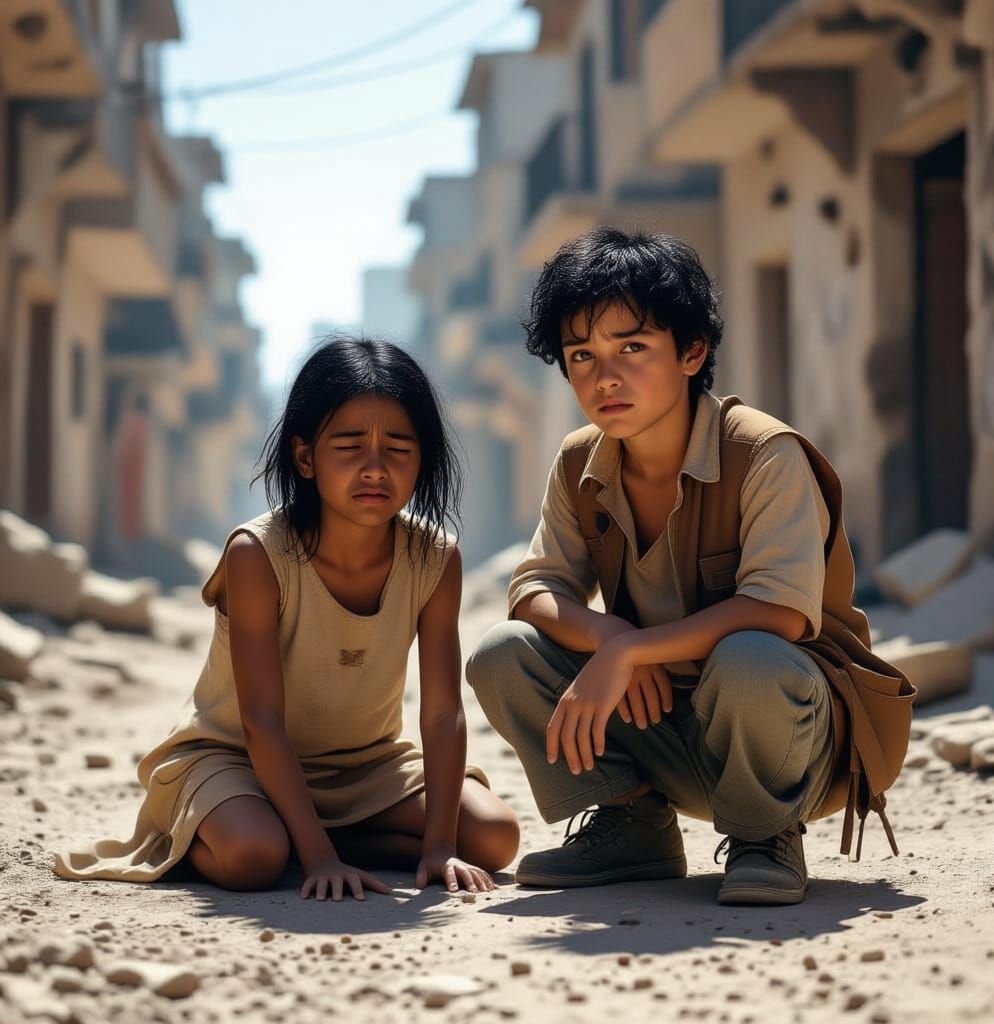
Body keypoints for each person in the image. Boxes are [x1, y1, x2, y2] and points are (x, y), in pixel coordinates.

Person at [466, 227, 910, 906]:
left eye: (632, 348)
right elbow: (534, 589)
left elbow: (782, 610)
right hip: (668, 735)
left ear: (692, 351)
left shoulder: (764, 454)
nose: (604, 376)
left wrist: (636, 649)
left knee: (751, 656)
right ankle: (632, 821)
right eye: (581, 354)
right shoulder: (579, 461)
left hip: (791, 738)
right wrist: (611, 641)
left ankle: (766, 836)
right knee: (504, 654)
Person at [56, 337, 519, 900]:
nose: (375, 468)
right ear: (306, 457)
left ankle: (318, 838)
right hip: (238, 759)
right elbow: (261, 722)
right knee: (254, 858)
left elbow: (444, 713)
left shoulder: (435, 557)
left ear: (421, 459)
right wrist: (320, 859)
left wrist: (441, 845)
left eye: (398, 448)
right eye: (349, 446)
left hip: (366, 767)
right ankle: (272, 839)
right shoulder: (258, 554)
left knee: (494, 837)